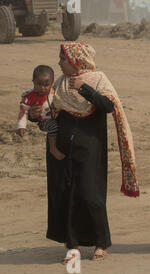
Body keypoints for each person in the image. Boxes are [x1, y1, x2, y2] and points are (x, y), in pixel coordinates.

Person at [29, 42, 139, 262]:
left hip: (90, 150)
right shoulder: (59, 83)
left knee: (91, 196)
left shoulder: (98, 79)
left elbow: (108, 106)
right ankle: (72, 246)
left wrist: (84, 88)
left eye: (63, 59)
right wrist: (34, 116)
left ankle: (101, 242)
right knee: (67, 197)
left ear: (75, 60)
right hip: (62, 151)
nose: (59, 63)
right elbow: (49, 114)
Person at [17, 65, 65, 160]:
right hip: (43, 121)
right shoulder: (29, 96)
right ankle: (53, 149)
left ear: (52, 83)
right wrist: (21, 126)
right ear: (33, 82)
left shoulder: (54, 92)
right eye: (39, 84)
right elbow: (23, 112)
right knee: (53, 126)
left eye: (46, 85)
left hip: (55, 117)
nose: (43, 88)